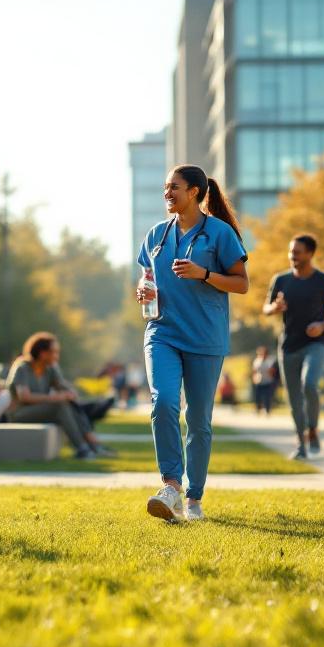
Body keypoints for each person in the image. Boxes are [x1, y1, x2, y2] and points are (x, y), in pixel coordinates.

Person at [135, 164, 249, 523]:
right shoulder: (156, 234)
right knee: (164, 401)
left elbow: (241, 283)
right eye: (165, 188)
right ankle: (170, 487)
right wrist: (144, 290)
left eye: (175, 188)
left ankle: (194, 497)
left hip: (205, 338)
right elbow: (147, 275)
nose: (167, 193)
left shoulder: (219, 233)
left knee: (198, 419)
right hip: (162, 332)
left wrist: (204, 274)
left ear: (195, 192)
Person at [262, 234, 324, 460]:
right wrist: (275, 308)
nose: (292, 256)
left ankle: (313, 429)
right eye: (291, 252)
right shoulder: (281, 279)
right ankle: (301, 443)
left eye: (297, 252)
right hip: (288, 346)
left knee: (309, 384)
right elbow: (266, 308)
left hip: (316, 343)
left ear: (310, 254)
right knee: (294, 398)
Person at [5, 333, 117, 459]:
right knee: (60, 405)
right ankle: (84, 447)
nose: (57, 356)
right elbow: (24, 397)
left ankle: (91, 444)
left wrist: (70, 392)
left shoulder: (49, 368)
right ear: (42, 353)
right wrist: (56, 398)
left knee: (68, 404)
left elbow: (62, 385)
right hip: (19, 414)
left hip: (40, 411)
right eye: (54, 352)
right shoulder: (23, 367)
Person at [251, 346, 277, 415]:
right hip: (259, 381)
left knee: (267, 397)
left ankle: (267, 410)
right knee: (257, 396)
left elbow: (273, 371)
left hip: (268, 381)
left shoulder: (270, 360)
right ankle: (258, 409)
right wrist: (254, 378)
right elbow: (254, 371)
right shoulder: (257, 361)